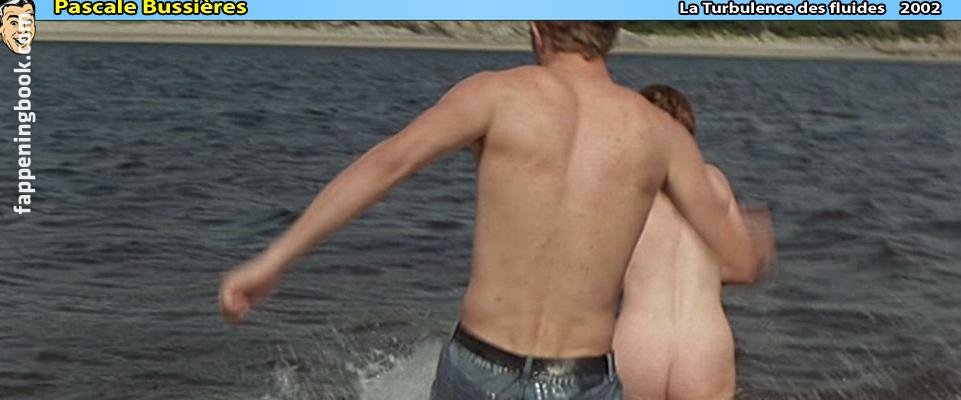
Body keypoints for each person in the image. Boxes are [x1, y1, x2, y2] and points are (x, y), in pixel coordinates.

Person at [219, 22, 767, 400]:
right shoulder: (661, 134)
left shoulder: (496, 96)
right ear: (612, 34)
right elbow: (740, 261)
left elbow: (386, 165)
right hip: (580, 380)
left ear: (537, 30)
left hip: (481, 369)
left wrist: (273, 260)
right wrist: (757, 235)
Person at [613, 85, 776, 400]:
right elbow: (742, 269)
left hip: (639, 344)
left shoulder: (620, 187)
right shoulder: (713, 181)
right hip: (703, 344)